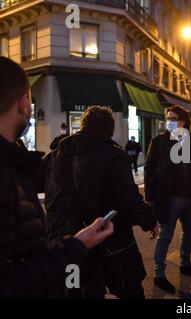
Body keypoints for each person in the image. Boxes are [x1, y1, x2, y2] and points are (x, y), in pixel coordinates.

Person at [0, 56, 113, 298]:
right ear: (23, 104)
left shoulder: (17, 165)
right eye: (29, 100)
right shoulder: (7, 173)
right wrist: (77, 246)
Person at [45, 106, 158, 299]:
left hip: (66, 239)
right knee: (130, 290)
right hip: (110, 238)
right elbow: (127, 199)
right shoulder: (114, 155)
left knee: (76, 291)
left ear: (83, 126)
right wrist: (149, 221)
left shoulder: (55, 155)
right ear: (111, 130)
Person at [145, 105, 191, 294]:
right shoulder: (159, 142)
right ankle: (159, 275)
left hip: (190, 197)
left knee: (190, 231)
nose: (170, 121)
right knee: (165, 236)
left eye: (174, 118)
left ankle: (186, 264)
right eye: (168, 118)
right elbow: (149, 170)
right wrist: (150, 198)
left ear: (184, 121)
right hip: (169, 198)